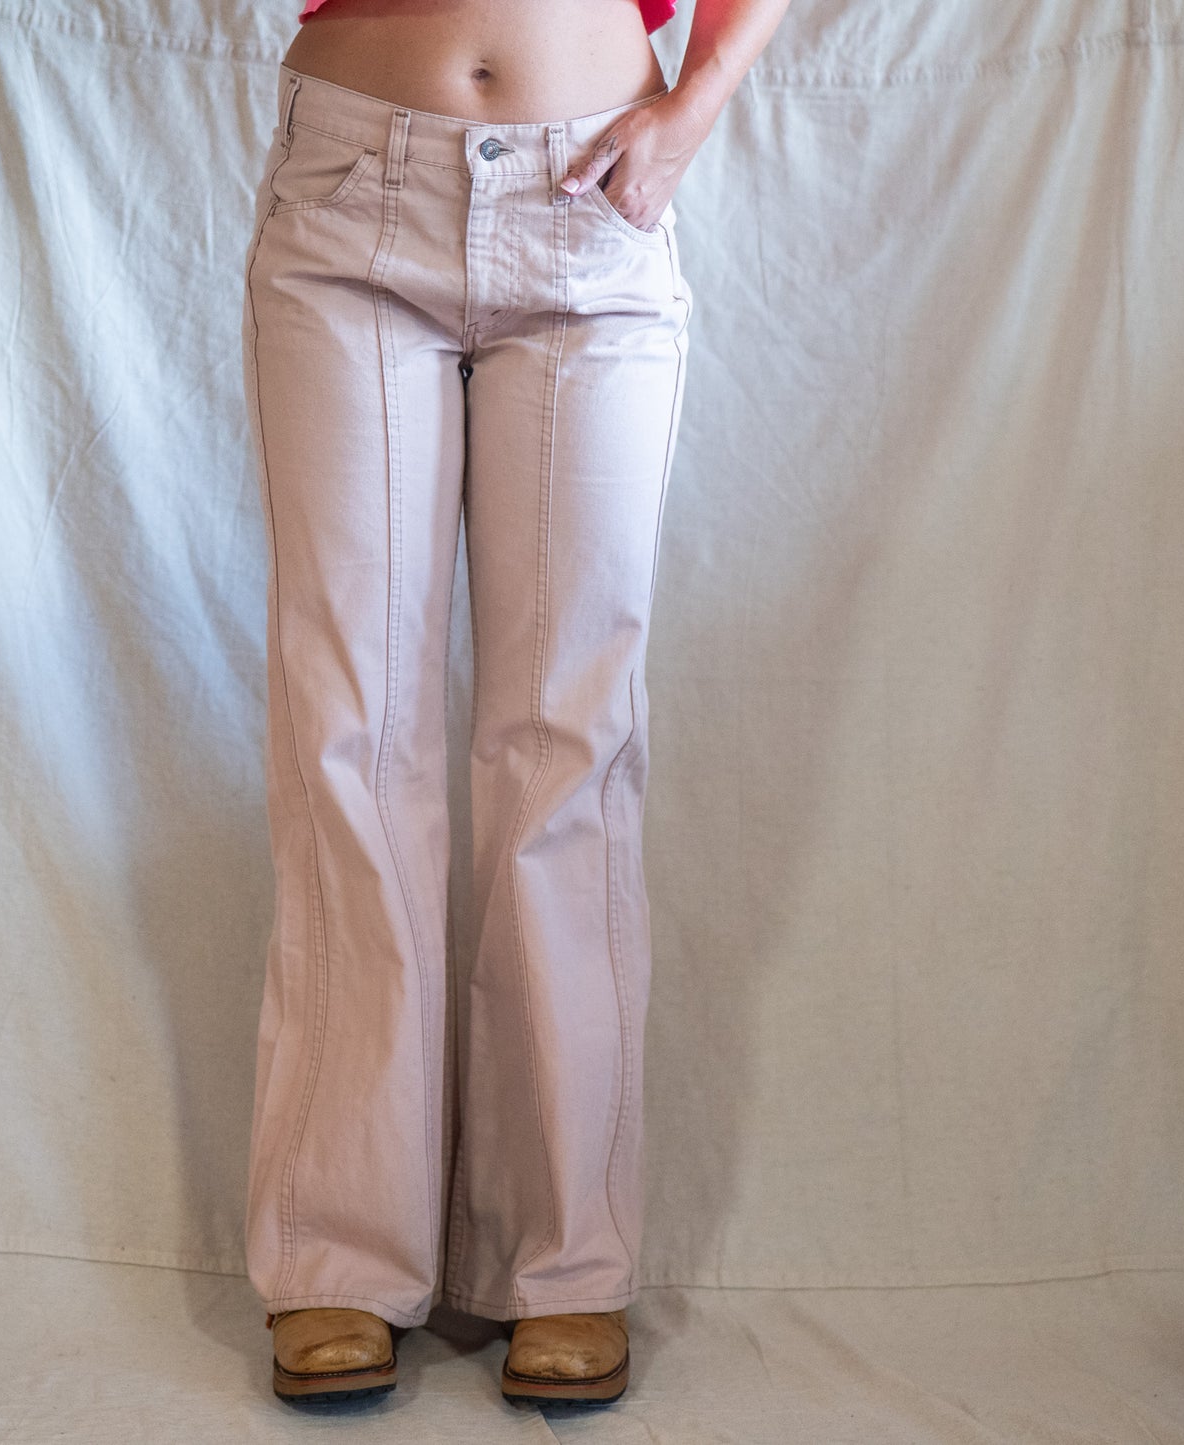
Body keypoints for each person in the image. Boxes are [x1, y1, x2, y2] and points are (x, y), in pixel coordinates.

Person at [239, 0, 791, 1409]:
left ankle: (565, 1259)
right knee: (350, 733)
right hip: (353, 191)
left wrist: (697, 104)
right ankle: (338, 1251)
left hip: (593, 188)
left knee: (570, 746)